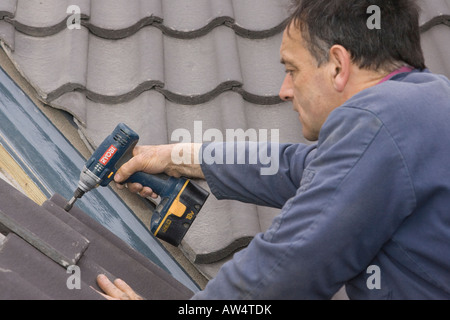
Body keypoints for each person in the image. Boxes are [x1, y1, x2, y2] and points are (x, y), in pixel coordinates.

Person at [97, 0, 450, 299]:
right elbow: (293, 168)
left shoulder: (377, 122)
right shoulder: (427, 103)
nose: (284, 90)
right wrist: (174, 158)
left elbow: (285, 268)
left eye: (292, 70)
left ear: (338, 66)